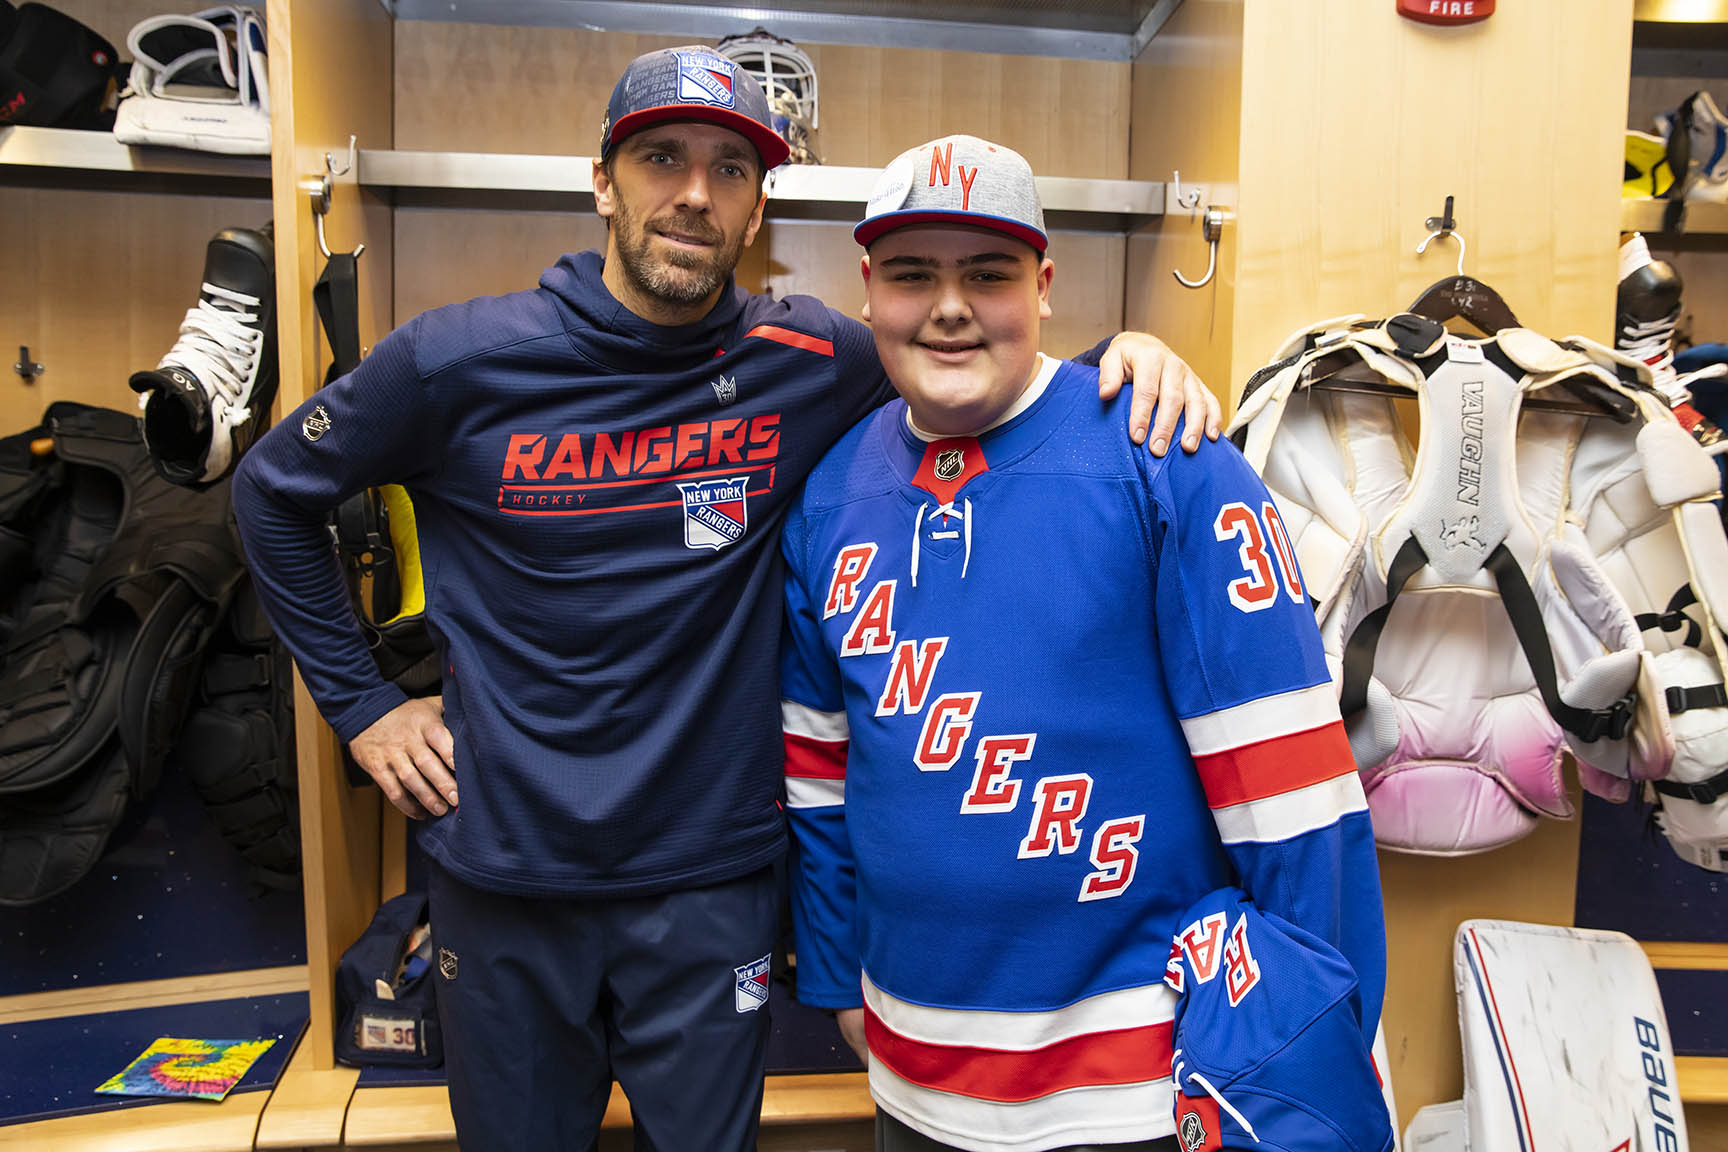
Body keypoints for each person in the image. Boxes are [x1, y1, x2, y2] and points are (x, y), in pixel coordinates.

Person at [232, 46, 1220, 1152]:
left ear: (758, 209)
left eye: (730, 168)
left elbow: (968, 358)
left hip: (711, 884)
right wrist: (363, 706)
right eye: (661, 157)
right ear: (604, 181)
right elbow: (272, 493)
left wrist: (1121, 359)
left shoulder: (808, 357)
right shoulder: (458, 362)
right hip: (505, 871)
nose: (694, 193)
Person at [778, 134, 1388, 1152]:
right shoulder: (831, 494)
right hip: (912, 1067)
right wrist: (839, 973)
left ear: (1046, 284)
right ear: (868, 286)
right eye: (914, 273)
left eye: (989, 272)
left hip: (1142, 1085)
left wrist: (1312, 1044)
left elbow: (1293, 794)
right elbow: (819, 773)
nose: (951, 305)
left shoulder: (1168, 459)